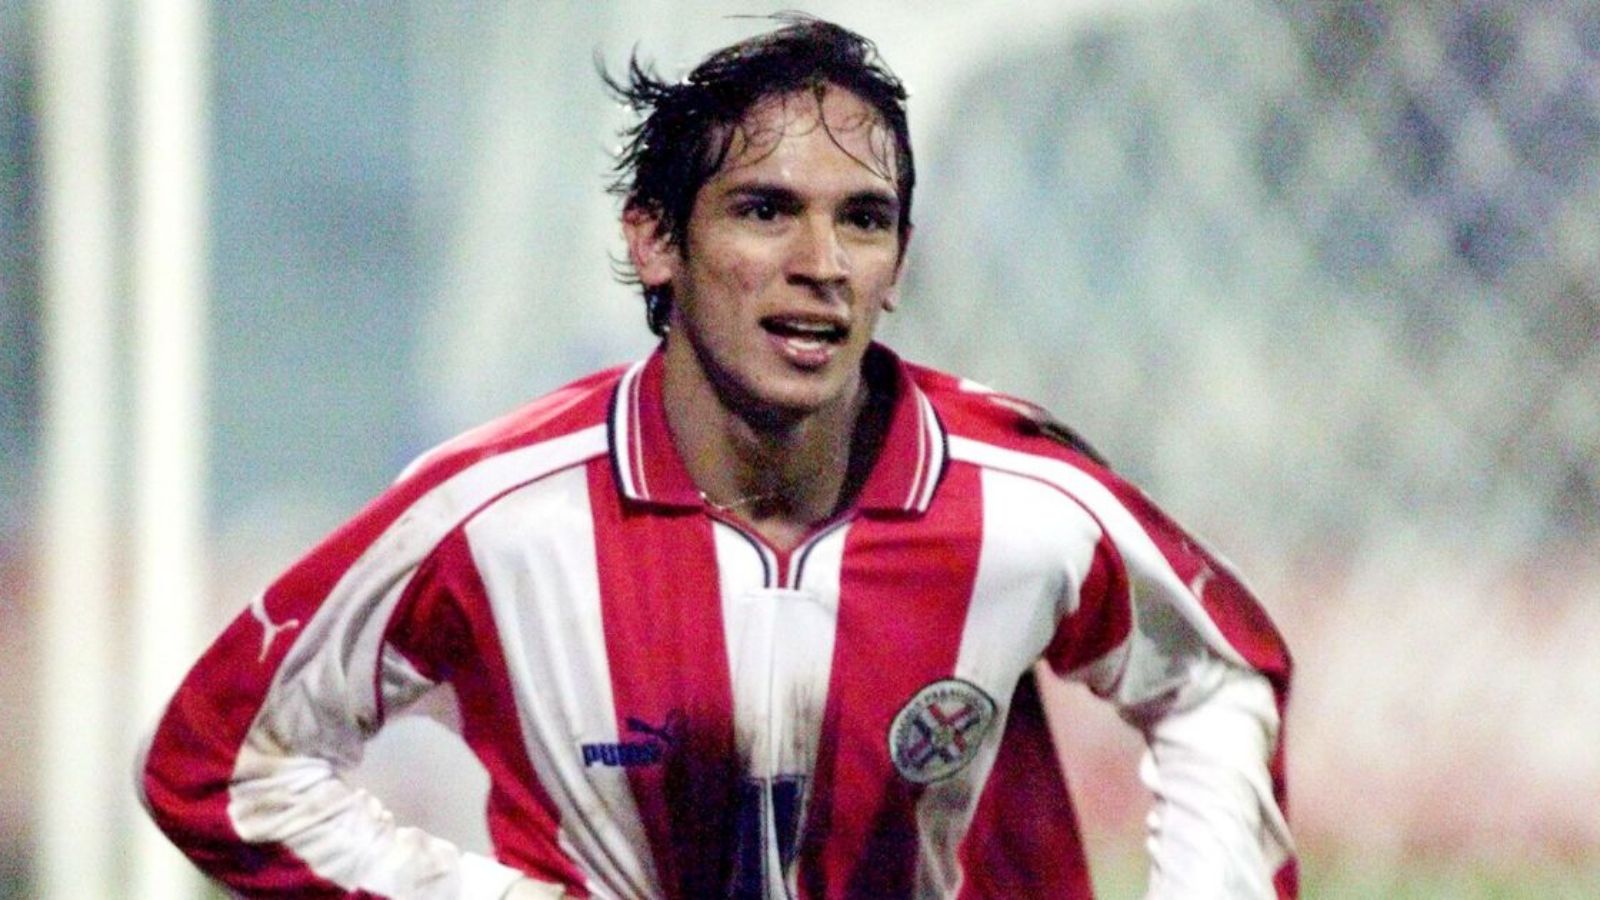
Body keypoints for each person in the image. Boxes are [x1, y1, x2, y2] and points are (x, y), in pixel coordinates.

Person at [138, 15, 1295, 900]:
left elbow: (1216, 675)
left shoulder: (1021, 499)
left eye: (863, 218)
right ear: (653, 241)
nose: (820, 261)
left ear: (898, 265)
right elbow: (219, 763)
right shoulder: (499, 513)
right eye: (762, 209)